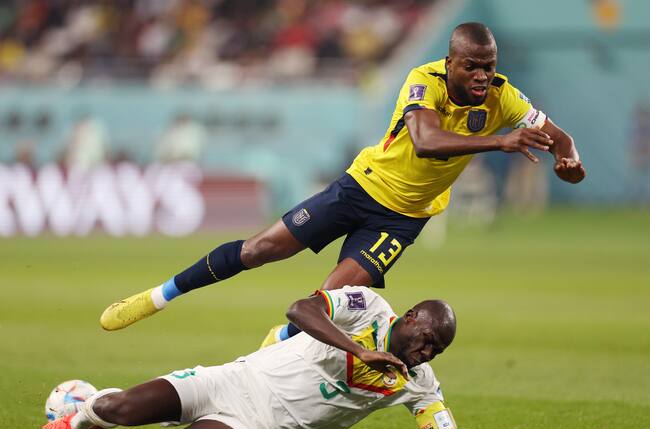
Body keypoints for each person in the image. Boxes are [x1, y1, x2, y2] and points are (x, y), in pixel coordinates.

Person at [99, 22, 585, 336]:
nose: (482, 76)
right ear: (450, 62)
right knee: (260, 250)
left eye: (489, 67)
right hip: (361, 188)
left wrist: (570, 160)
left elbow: (558, 136)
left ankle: (274, 347)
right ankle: (159, 296)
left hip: (402, 220)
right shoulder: (423, 80)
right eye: (472, 67)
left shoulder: (504, 96)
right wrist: (499, 143)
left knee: (324, 306)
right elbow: (425, 142)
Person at [1, 286, 526, 429]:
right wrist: (358, 353)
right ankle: (73, 420)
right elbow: (300, 309)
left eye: (438, 349)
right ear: (409, 317)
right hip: (234, 380)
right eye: (426, 337)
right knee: (116, 409)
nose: (427, 351)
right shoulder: (366, 306)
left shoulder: (418, 383)